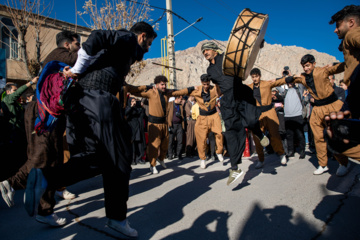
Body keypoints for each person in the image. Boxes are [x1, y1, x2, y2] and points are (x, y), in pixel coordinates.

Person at [23, 21, 157, 238]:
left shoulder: (120, 49)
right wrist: (77, 69)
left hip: (81, 102)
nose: (148, 49)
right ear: (142, 36)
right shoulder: (127, 37)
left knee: (94, 158)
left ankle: (47, 178)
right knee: (120, 159)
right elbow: (96, 37)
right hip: (99, 100)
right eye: (149, 43)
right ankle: (117, 218)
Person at [0, 30, 80, 227]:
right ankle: (10, 183)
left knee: (50, 162)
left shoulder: (60, 60)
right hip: (44, 115)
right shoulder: (59, 54)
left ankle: (45, 211)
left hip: (47, 114)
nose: (79, 48)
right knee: (41, 157)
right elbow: (81, 60)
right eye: (78, 44)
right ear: (68, 44)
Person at [202, 42, 269, 185]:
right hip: (228, 100)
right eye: (203, 52)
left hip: (241, 93)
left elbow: (245, 58)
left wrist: (257, 46)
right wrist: (219, 98)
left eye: (207, 50)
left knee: (251, 121)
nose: (205, 53)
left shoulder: (226, 57)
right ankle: (234, 168)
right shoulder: (210, 70)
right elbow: (219, 85)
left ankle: (259, 133)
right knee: (232, 133)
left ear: (214, 50)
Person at [277, 54, 349, 176]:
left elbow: (342, 67)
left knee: (335, 136)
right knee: (318, 137)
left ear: (314, 64)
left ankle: (343, 163)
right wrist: (284, 79)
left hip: (331, 105)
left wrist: (336, 64)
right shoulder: (303, 78)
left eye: (307, 65)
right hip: (317, 110)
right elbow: (289, 80)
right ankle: (323, 165)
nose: (305, 68)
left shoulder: (323, 71)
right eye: (304, 66)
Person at [130, 75, 195, 174]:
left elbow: (179, 92)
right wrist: (146, 87)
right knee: (154, 146)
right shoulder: (151, 92)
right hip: (154, 124)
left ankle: (161, 159)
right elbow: (135, 91)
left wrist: (191, 88)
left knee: (165, 144)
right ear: (156, 85)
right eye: (162, 84)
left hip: (164, 123)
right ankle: (152, 165)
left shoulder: (167, 93)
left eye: (165, 84)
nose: (164, 86)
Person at [324, 5, 360, 164]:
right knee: (337, 132)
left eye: (338, 25)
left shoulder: (352, 35)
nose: (335, 30)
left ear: (351, 22)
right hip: (354, 93)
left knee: (336, 132)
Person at [248, 68, 286, 169]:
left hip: (269, 112)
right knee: (258, 137)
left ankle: (281, 154)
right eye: (253, 77)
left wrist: (287, 78)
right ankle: (261, 159)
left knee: (275, 134)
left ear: (260, 76)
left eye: (256, 76)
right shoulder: (249, 88)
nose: (255, 79)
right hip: (257, 114)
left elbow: (279, 81)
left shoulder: (267, 84)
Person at [190, 74, 224, 169]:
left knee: (219, 134)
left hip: (214, 115)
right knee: (202, 140)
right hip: (202, 117)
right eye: (204, 84)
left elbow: (220, 92)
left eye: (207, 84)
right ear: (201, 82)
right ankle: (203, 159)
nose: (206, 86)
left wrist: (217, 83)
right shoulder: (197, 91)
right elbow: (185, 92)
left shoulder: (213, 89)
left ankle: (219, 152)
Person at [283, 82, 306, 160]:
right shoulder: (285, 91)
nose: (290, 83)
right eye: (289, 82)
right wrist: (285, 78)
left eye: (291, 82)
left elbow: (301, 83)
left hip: (298, 115)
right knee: (289, 135)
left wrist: (293, 78)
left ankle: (302, 151)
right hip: (287, 116)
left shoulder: (298, 90)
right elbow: (278, 86)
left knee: (300, 134)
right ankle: (291, 151)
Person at [125, 97, 146, 165]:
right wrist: (131, 107)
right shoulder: (128, 108)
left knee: (139, 144)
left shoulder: (137, 109)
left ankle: (139, 158)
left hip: (138, 128)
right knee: (133, 145)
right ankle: (132, 160)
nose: (134, 102)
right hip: (131, 129)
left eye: (134, 101)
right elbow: (126, 115)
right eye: (132, 101)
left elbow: (142, 115)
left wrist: (142, 107)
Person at [167, 95, 185, 160]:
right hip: (172, 125)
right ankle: (170, 155)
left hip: (179, 125)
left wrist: (181, 117)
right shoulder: (170, 104)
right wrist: (168, 123)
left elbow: (183, 115)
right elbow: (167, 114)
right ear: (177, 99)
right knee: (170, 141)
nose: (181, 100)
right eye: (181, 99)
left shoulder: (180, 106)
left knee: (180, 140)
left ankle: (179, 154)